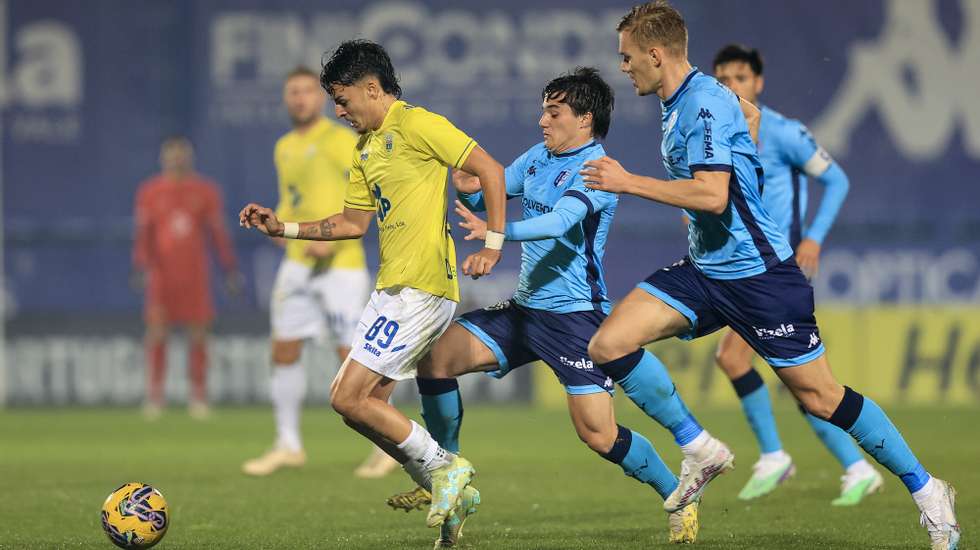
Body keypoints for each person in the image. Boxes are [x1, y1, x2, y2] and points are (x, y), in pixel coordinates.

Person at [582, 3, 960, 548]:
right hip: (707, 272)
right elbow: (750, 120)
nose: (623, 67)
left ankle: (928, 493)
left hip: (761, 277)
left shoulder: (704, 105)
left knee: (822, 399)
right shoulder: (693, 100)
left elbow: (713, 196)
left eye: (627, 57)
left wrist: (627, 182)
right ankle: (700, 449)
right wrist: (745, 152)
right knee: (609, 343)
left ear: (655, 54)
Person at [387, 66, 704, 546]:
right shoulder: (539, 157)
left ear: (585, 119)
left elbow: (559, 222)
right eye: (542, 110)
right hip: (525, 310)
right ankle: (445, 478)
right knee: (436, 359)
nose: (542, 121)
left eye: (553, 112)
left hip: (576, 319)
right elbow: (485, 187)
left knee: (598, 436)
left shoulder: (598, 169)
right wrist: (464, 179)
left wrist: (496, 235)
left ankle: (678, 493)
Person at [239, 39, 507, 530]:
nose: (338, 110)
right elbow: (349, 223)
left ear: (371, 87)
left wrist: (492, 244)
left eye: (343, 99)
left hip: (421, 286)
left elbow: (488, 169)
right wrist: (285, 228)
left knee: (344, 397)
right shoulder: (365, 149)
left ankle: (446, 469)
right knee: (364, 408)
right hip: (392, 287)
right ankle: (446, 488)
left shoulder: (419, 123)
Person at [711, 44, 883, 504]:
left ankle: (776, 456)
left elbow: (837, 180)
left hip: (775, 269)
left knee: (737, 360)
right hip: (742, 269)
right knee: (800, 384)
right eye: (722, 78)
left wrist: (814, 238)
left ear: (758, 83)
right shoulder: (714, 135)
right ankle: (855, 466)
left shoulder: (782, 133)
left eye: (740, 78)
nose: (731, 86)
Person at [241, 67, 394, 478]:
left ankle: (387, 443)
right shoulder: (285, 147)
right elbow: (293, 198)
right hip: (297, 266)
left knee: (355, 359)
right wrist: (279, 224)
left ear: (320, 98)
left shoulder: (341, 141)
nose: (300, 99)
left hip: (340, 267)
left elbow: (365, 194)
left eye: (308, 91)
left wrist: (332, 237)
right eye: (293, 92)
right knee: (283, 350)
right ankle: (288, 444)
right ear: (285, 98)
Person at [132, 136, 240, 420]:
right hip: (162, 276)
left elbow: (218, 234)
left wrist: (229, 268)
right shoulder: (150, 191)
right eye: (172, 155)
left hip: (194, 274)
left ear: (190, 158)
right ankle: (155, 397)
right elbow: (144, 236)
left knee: (199, 333)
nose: (177, 159)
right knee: (156, 332)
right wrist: (141, 266)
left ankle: (199, 396)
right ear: (163, 158)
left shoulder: (205, 191)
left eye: (182, 155)